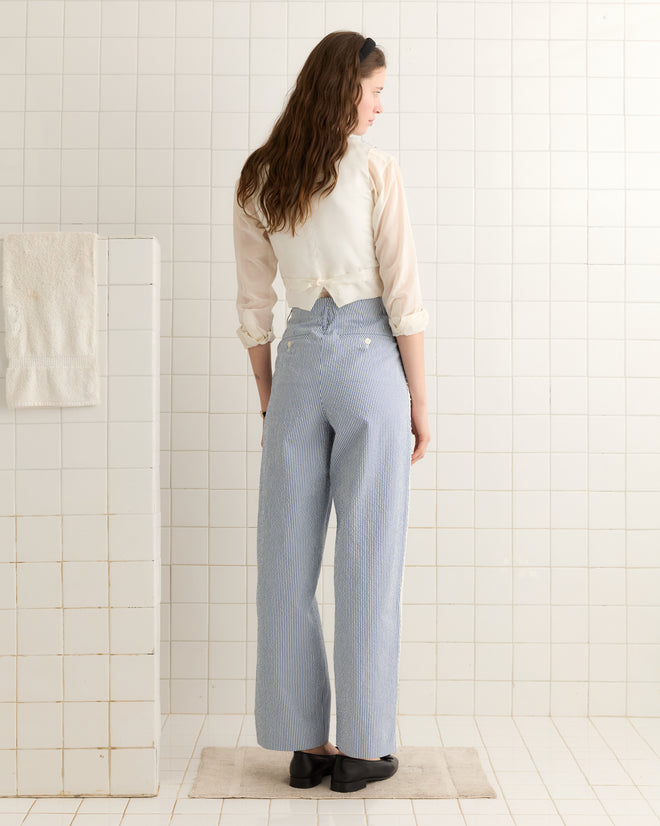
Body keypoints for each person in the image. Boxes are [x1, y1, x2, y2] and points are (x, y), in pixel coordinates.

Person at [233, 31, 430, 794]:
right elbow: (405, 299)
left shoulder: (260, 176)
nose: (380, 106)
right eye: (375, 91)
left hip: (300, 365)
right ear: (346, 88)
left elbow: (253, 307)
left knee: (284, 560)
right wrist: (420, 400)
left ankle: (304, 744)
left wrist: (271, 398)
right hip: (368, 355)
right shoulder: (376, 171)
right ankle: (364, 747)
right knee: (369, 558)